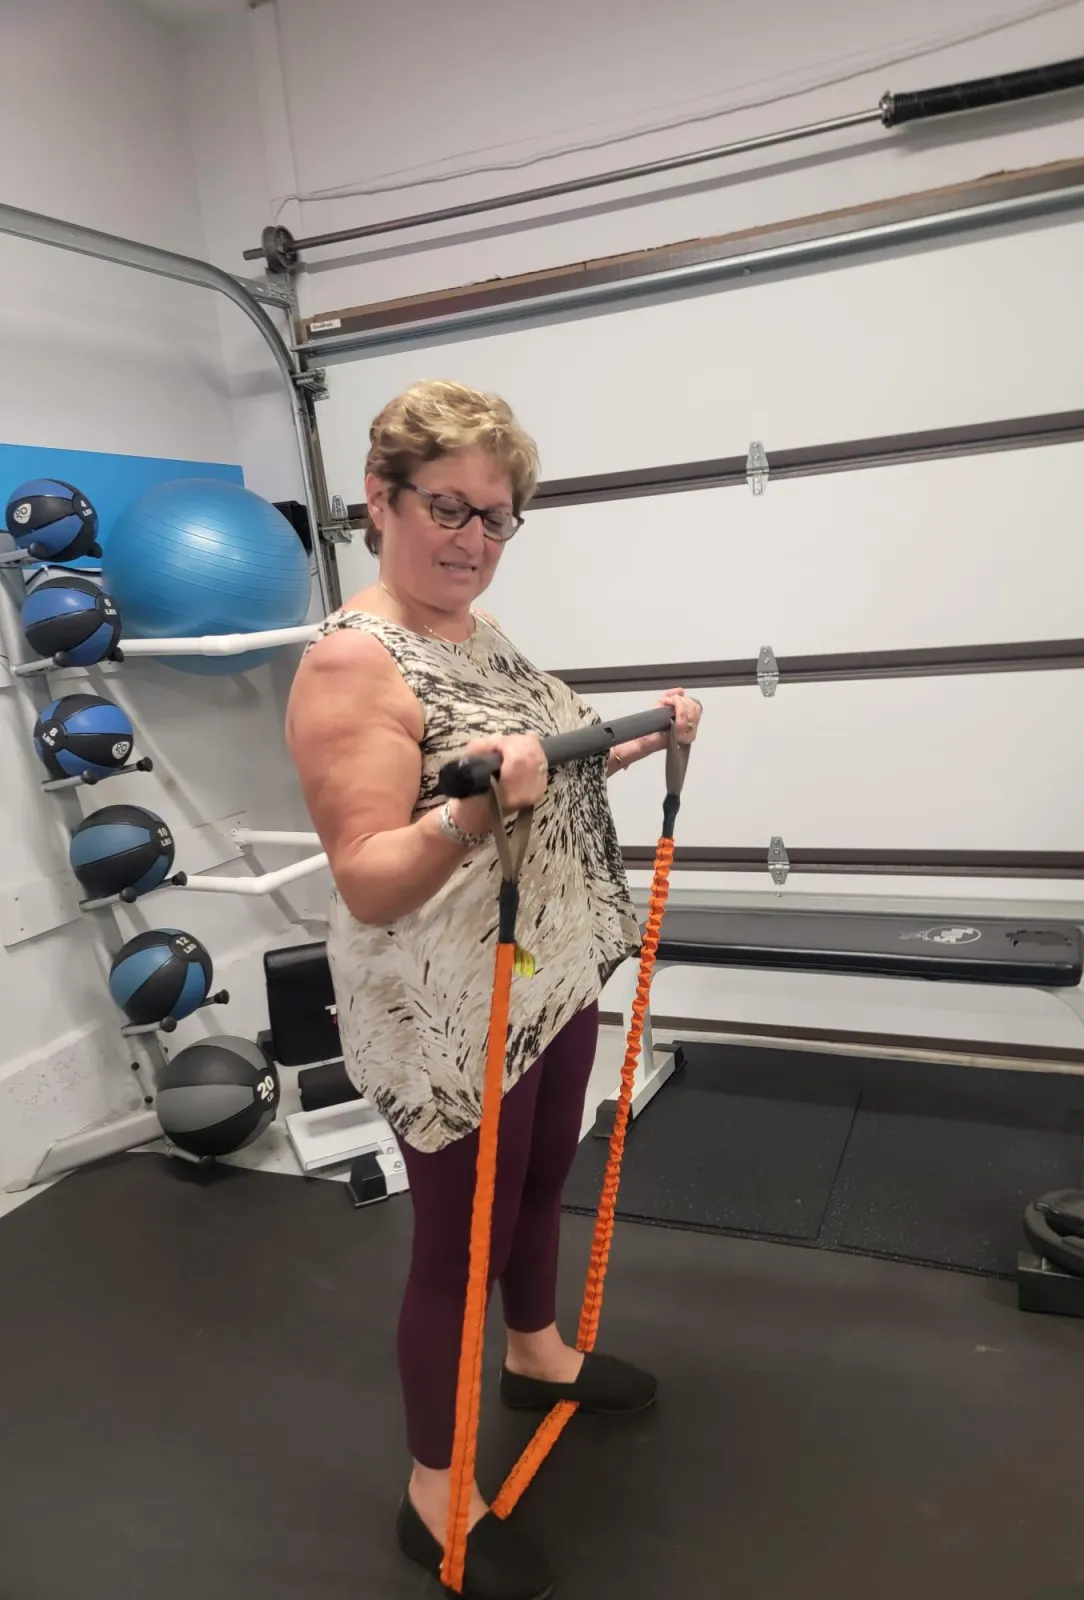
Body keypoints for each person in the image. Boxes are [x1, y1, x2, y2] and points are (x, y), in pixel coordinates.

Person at [285, 378, 702, 1600]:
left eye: (497, 515)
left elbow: (538, 767)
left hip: (546, 969)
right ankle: (435, 1491)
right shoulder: (352, 663)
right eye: (448, 508)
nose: (474, 538)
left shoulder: (480, 631)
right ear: (380, 497)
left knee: (538, 1179)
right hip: (446, 1002)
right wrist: (472, 812)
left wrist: (638, 738)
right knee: (455, 1244)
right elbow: (368, 878)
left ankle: (539, 1353)